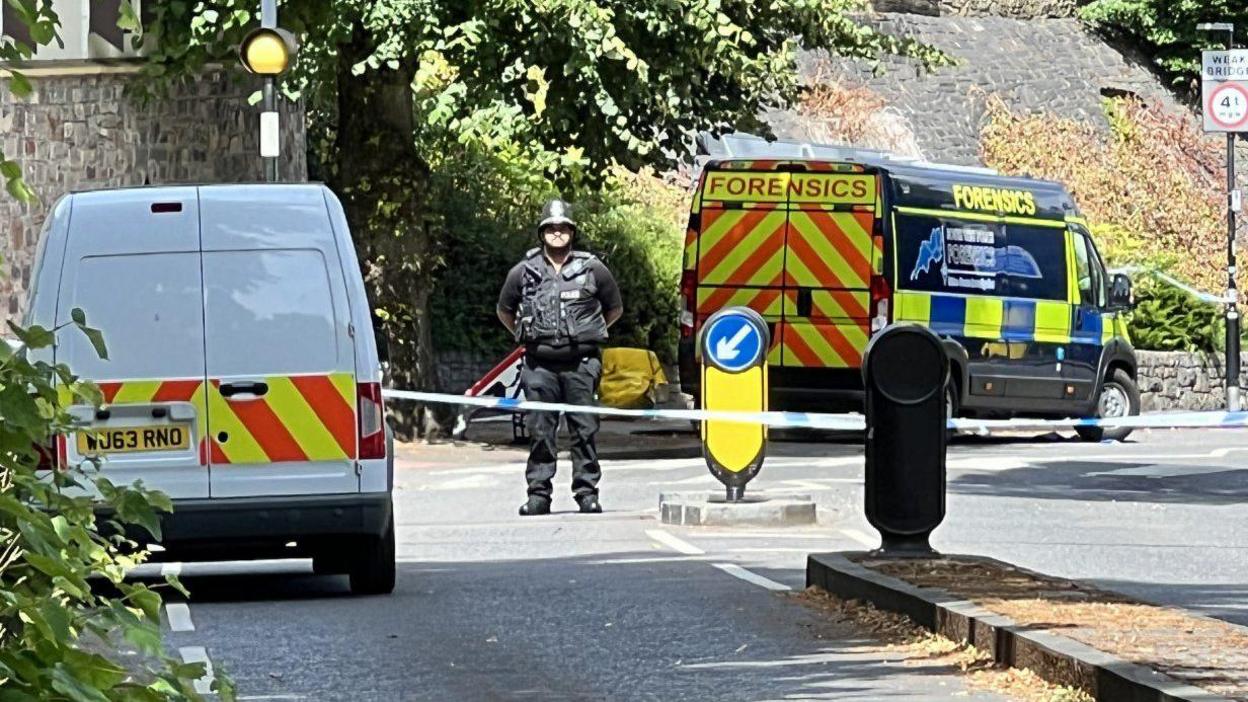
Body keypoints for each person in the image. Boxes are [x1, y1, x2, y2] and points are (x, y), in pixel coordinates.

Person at [497, 198, 623, 516]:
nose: (557, 233)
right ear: (542, 233)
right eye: (551, 228)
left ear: (572, 231)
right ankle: (539, 495)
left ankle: (586, 493)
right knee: (540, 430)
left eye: (563, 227)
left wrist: (588, 335)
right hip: (539, 365)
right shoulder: (524, 271)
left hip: (581, 364)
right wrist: (525, 336)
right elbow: (504, 310)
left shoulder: (592, 268)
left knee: (584, 429)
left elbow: (614, 308)